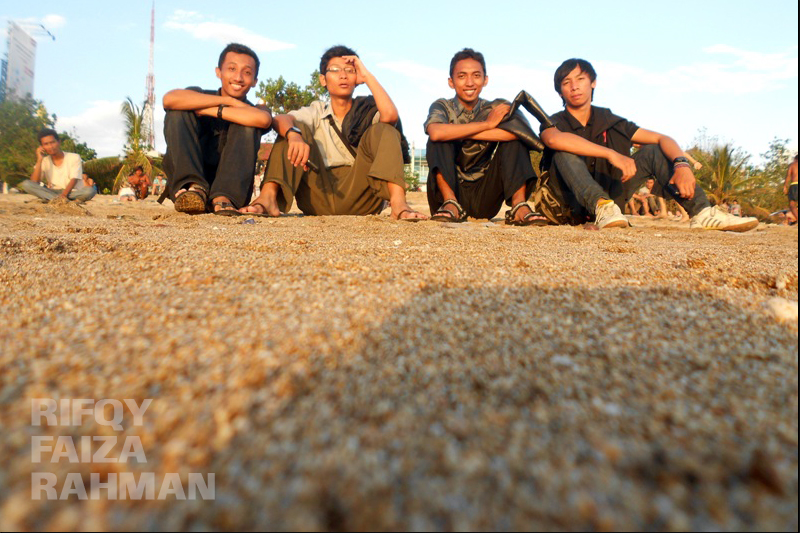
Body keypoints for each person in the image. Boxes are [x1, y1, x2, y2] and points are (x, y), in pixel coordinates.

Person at [540, 58, 759, 232]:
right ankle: (602, 208)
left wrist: (682, 164)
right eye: (566, 82)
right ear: (559, 91)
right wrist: (611, 154)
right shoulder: (554, 121)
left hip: (614, 196)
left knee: (654, 150)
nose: (574, 87)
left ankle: (703, 213)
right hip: (571, 204)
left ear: (593, 82)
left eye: (580, 79)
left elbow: (663, 138)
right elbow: (553, 139)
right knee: (562, 153)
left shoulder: (612, 121)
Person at [245, 46, 425, 221]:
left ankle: (399, 205)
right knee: (294, 128)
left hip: (361, 193)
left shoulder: (367, 110)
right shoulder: (316, 110)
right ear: (323, 79)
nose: (343, 75)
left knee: (384, 129)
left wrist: (368, 76)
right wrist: (294, 135)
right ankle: (268, 198)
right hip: (317, 194)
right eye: (335, 69)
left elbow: (391, 116)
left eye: (350, 70)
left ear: (357, 77)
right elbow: (280, 119)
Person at [423, 49, 549, 225]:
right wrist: (487, 125)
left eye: (476, 75)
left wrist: (459, 131)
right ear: (451, 82)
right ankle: (450, 203)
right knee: (438, 140)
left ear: (485, 80)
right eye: (461, 76)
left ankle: (519, 206)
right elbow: (436, 132)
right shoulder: (442, 106)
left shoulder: (496, 107)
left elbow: (521, 134)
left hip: (484, 196)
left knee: (515, 141)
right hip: (446, 197)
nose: (469, 82)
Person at [162, 43, 273, 215]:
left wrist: (215, 110)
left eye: (247, 72)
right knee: (178, 112)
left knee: (248, 122)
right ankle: (192, 187)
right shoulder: (199, 95)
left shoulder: (255, 109)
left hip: (233, 189)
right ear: (218, 72)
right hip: (192, 177)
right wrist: (227, 102)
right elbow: (169, 99)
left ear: (254, 81)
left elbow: (264, 119)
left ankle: (223, 197)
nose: (238, 77)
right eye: (232, 69)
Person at [19, 129, 97, 204]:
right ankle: (60, 200)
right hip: (53, 191)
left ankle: (53, 199)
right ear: (42, 147)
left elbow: (74, 179)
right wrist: (39, 160)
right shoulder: (44, 161)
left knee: (90, 191)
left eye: (52, 142)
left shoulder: (74, 157)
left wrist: (63, 195)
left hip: (72, 192)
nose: (50, 146)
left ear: (59, 142)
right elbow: (34, 182)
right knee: (26, 184)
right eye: (46, 144)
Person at [784, 155, 798, 224]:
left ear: (795, 159)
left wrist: (785, 186)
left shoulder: (793, 165)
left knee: (792, 204)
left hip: (795, 185)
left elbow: (788, 176)